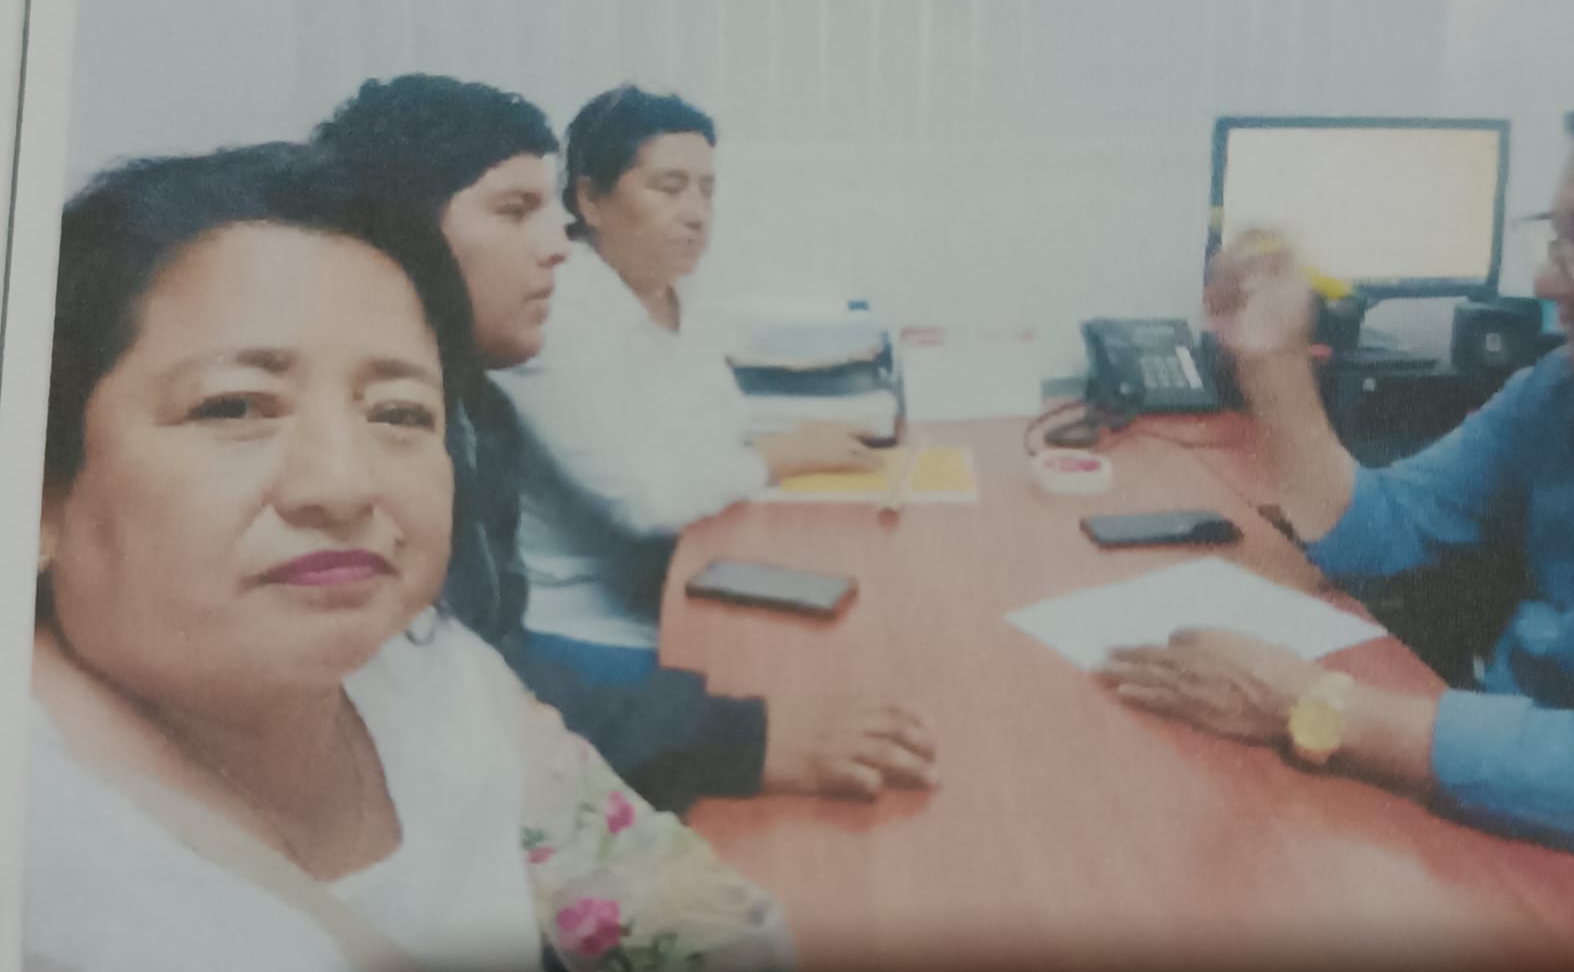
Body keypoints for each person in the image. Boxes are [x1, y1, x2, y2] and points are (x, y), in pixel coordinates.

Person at [25, 143, 794, 972]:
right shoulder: (48, 881)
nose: (344, 484)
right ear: (39, 495)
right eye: (235, 406)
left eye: (398, 413)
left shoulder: (428, 670)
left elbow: (690, 920)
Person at [312, 75, 937, 810]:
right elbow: (461, 692)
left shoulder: (473, 408)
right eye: (516, 211)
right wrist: (746, 739)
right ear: (403, 237)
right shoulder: (367, 449)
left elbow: (478, 662)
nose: (558, 246)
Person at [1097, 99, 1574, 857]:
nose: (1547, 278)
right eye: (1559, 238)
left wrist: (1313, 705)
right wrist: (1272, 361)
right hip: (1490, 803)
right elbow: (1378, 532)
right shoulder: (1562, 390)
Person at [493, 84, 879, 683]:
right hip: (590, 624)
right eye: (669, 188)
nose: (697, 213)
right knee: (801, 687)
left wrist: (783, 448)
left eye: (707, 190)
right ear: (591, 200)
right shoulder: (556, 313)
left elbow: (713, 437)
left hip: (688, 574)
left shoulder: (679, 292)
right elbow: (646, 501)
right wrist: (782, 455)